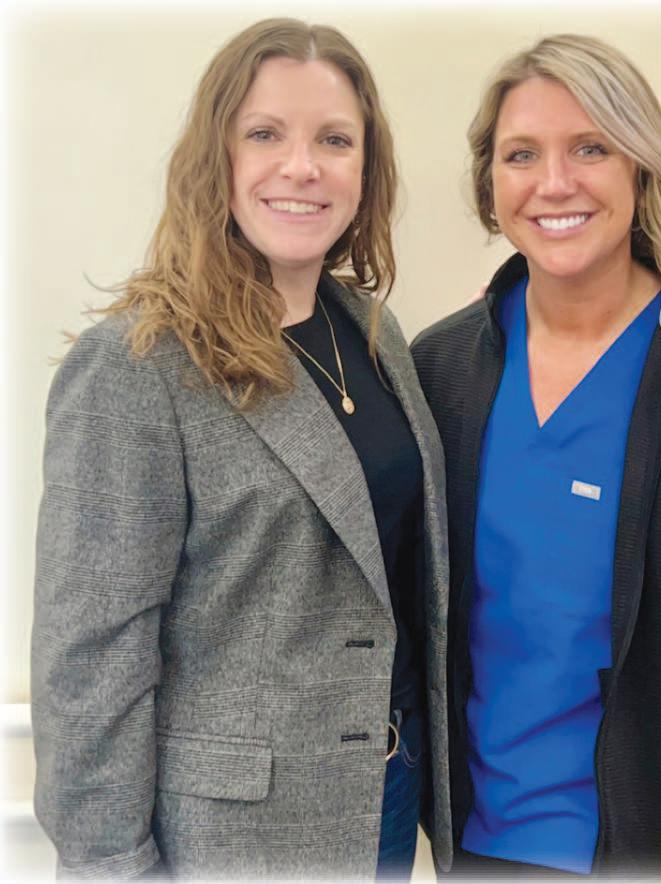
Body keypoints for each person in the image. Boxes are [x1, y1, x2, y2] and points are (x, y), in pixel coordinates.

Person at [31, 18, 452, 880]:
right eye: (265, 134)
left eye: (334, 140)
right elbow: (91, 660)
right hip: (233, 837)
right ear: (214, 156)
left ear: (365, 170)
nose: (302, 166)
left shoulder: (373, 331)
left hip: (384, 790)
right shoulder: (136, 364)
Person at [412, 34, 661, 879]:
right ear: (491, 186)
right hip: (468, 851)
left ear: (642, 168)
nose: (554, 182)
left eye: (591, 148)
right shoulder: (440, 372)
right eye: (522, 154)